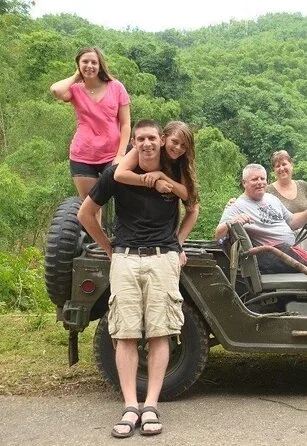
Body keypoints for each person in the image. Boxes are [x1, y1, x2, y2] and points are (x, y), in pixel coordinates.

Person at [77, 120, 183, 438]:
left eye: (151, 138)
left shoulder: (175, 170)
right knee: (125, 334)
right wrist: (108, 248)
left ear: (161, 141)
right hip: (125, 257)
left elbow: (193, 204)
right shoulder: (116, 174)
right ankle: (129, 406)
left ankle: (150, 405)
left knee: (160, 333)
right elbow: (85, 213)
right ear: (133, 143)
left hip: (162, 258)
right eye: (140, 139)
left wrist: (178, 243)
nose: (146, 143)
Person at [215, 163, 307, 275]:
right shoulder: (236, 206)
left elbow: (292, 221)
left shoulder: (271, 198)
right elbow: (218, 235)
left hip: (290, 247)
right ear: (244, 183)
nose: (260, 182)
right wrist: (233, 221)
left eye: (262, 178)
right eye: (255, 179)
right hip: (274, 256)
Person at [50, 47, 131, 200]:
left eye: (94, 62)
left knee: (122, 200)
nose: (89, 65)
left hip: (112, 154)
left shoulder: (116, 87)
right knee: (90, 204)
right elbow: (56, 90)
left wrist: (121, 154)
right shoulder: (75, 90)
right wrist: (76, 76)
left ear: (100, 65)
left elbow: (126, 124)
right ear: (78, 65)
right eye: (85, 62)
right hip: (83, 154)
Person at [114, 121, 200, 266]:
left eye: (184, 146)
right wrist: (153, 182)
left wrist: (177, 245)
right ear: (163, 139)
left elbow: (188, 198)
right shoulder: (145, 147)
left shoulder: (182, 162)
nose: (178, 148)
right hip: (132, 230)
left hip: (165, 236)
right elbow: (119, 174)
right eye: (175, 142)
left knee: (193, 207)